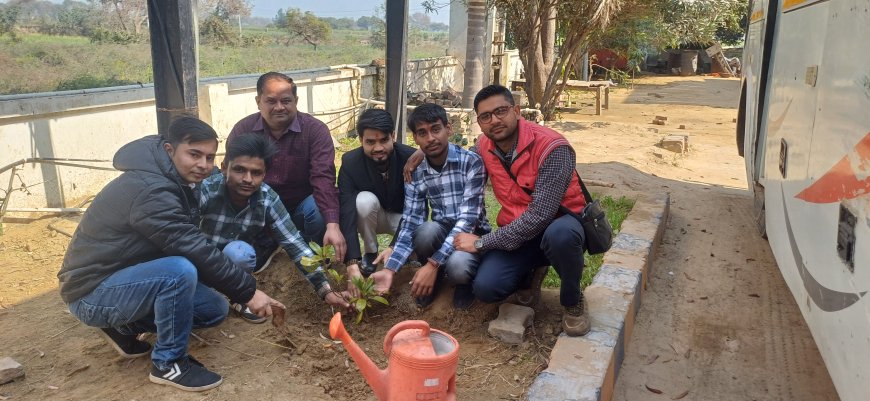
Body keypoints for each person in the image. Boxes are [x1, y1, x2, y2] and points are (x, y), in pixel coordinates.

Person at [58, 116, 286, 392]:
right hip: (92, 293)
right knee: (179, 270)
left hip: (123, 279)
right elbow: (190, 245)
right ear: (169, 150)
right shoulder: (152, 189)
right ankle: (169, 363)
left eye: (209, 157)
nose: (203, 164)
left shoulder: (175, 179)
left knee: (213, 308)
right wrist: (248, 292)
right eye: (194, 154)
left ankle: (123, 327)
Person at [451, 84, 591, 336]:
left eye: (501, 111)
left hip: (559, 227)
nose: (494, 120)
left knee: (560, 235)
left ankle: (572, 300)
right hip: (517, 233)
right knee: (486, 288)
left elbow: (540, 216)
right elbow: (461, 162)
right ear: (480, 123)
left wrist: (482, 243)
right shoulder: (485, 146)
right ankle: (530, 274)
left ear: (516, 111)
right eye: (485, 116)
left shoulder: (553, 147)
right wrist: (418, 154)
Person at [199, 133, 349, 324]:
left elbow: (294, 243)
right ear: (224, 168)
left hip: (232, 262)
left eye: (256, 173)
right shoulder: (205, 189)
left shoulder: (267, 198)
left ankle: (239, 297)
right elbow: (181, 236)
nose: (248, 179)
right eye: (239, 170)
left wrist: (325, 289)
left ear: (264, 174)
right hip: (199, 257)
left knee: (241, 253)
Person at [370, 103, 489, 309]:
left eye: (436, 129)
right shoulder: (415, 171)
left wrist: (432, 264)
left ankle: (460, 281)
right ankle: (437, 277)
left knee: (459, 266)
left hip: (471, 234)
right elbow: (410, 221)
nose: (430, 138)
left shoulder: (471, 163)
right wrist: (390, 269)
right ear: (415, 139)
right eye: (422, 133)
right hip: (441, 229)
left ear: (448, 129)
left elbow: (468, 220)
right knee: (425, 230)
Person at [228, 71, 346, 269]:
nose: (279, 107)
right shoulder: (244, 130)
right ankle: (266, 249)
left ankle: (313, 256)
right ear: (258, 101)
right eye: (271, 101)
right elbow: (233, 179)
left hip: (300, 210)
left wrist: (332, 225)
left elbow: (323, 177)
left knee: (317, 207)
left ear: (296, 100)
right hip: (259, 212)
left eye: (286, 100)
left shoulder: (314, 131)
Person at [337, 109, 417, 283]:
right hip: (374, 216)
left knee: (422, 236)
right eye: (370, 142)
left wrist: (394, 246)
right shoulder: (350, 163)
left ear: (393, 136)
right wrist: (351, 261)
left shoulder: (410, 158)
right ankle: (370, 253)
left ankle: (408, 256)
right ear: (360, 140)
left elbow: (416, 210)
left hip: (403, 218)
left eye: (384, 140)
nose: (378, 148)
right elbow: (347, 210)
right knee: (362, 201)